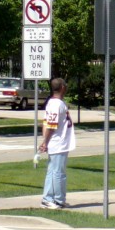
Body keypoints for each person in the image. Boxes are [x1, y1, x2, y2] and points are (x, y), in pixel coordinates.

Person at [39, 78, 75, 209]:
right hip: (58, 143)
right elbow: (50, 126)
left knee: (53, 171)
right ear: (62, 88)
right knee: (58, 173)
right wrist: (45, 142)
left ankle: (48, 198)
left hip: (58, 143)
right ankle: (56, 200)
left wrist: (45, 141)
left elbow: (46, 123)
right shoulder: (56, 104)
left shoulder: (55, 103)